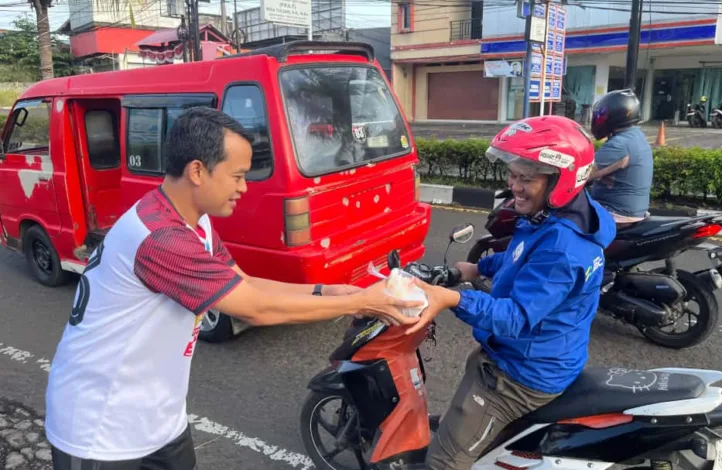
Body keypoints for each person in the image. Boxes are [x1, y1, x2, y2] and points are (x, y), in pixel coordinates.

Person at [44, 107, 422, 470]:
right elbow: (254, 308)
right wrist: (363, 302)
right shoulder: (160, 237)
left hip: (158, 415)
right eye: (237, 175)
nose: (243, 186)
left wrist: (326, 291)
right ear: (197, 171)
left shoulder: (193, 221)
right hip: (100, 423)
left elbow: (245, 283)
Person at [406, 115, 617, 470]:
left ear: (561, 181)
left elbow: (515, 317)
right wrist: (476, 268)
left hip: (520, 375)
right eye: (512, 174)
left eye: (526, 179)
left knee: (442, 463)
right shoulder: (566, 216)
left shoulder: (564, 248)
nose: (514, 186)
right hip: (537, 354)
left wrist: (450, 298)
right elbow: (524, 258)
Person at [588, 89, 654, 228]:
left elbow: (583, 175)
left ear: (616, 116)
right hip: (630, 211)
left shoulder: (620, 145)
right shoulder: (634, 136)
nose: (599, 118)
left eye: (603, 114)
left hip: (616, 214)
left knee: (564, 223)